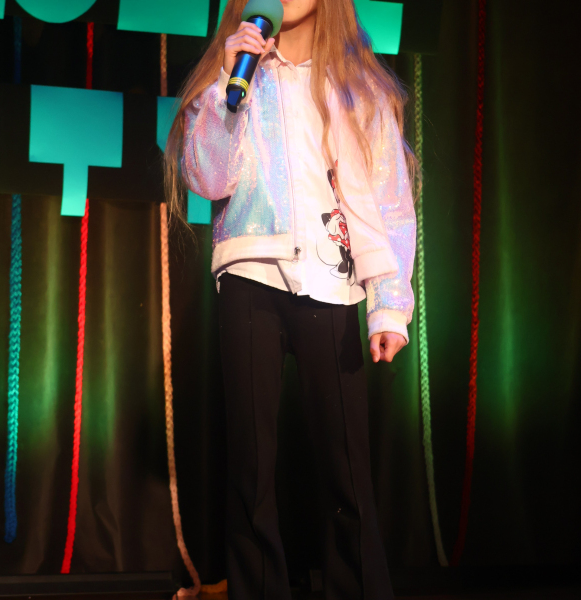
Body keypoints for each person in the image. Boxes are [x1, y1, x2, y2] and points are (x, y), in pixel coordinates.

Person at [165, 1, 417, 598]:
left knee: (346, 465)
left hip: (331, 281)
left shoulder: (360, 88)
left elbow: (390, 201)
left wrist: (389, 303)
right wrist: (228, 94)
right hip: (250, 270)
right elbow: (208, 179)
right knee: (251, 466)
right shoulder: (239, 77)